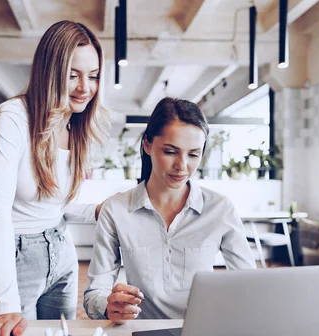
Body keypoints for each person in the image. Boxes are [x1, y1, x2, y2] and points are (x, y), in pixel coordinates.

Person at [0, 20, 111, 336]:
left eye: (93, 76)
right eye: (73, 74)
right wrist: (5, 305)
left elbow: (52, 206)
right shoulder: (12, 119)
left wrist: (94, 210)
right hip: (17, 257)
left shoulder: (74, 124)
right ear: (50, 71)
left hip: (62, 253)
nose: (85, 87)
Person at [84, 97, 256, 323]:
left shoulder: (220, 208)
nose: (182, 166)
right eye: (170, 151)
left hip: (202, 331)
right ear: (147, 144)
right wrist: (108, 306)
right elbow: (95, 293)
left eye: (193, 154)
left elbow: (249, 285)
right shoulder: (116, 210)